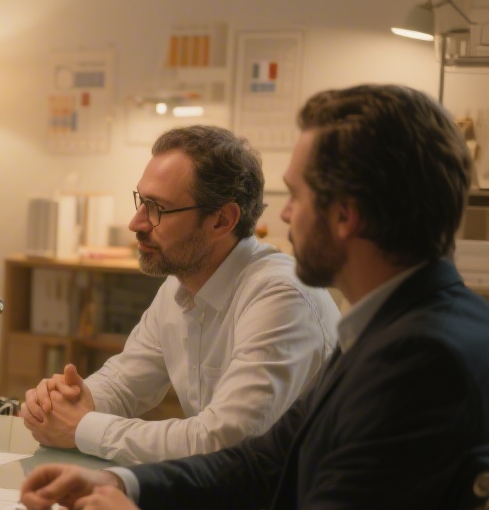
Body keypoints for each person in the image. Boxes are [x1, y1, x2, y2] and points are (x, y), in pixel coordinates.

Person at [0, 85, 489, 510]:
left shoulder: (413, 369)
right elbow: (265, 458)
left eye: (297, 196)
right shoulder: (422, 327)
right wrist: (121, 484)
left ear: (346, 214)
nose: (280, 219)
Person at [22, 125, 339, 465]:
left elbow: (224, 440)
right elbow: (124, 382)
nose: (136, 223)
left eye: (157, 207)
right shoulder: (181, 283)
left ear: (221, 221)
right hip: (219, 501)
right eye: (141, 201)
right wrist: (67, 401)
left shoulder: (281, 296)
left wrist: (83, 427)